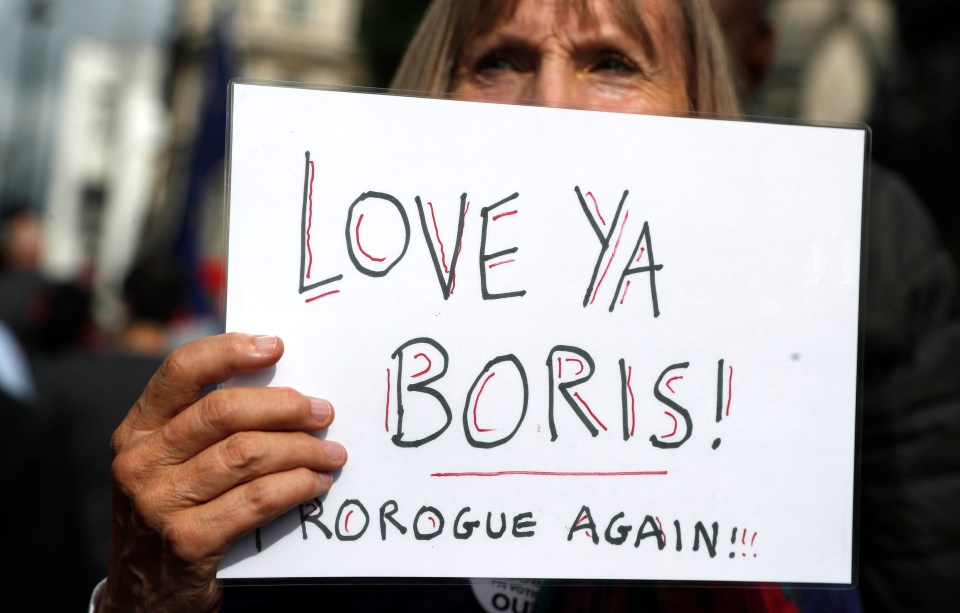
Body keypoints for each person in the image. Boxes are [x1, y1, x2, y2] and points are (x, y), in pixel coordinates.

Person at [95, 1, 959, 611]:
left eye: (613, 63)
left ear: (702, 120)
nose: (550, 104)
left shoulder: (778, 507)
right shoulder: (278, 452)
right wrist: (149, 598)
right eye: (499, 60)